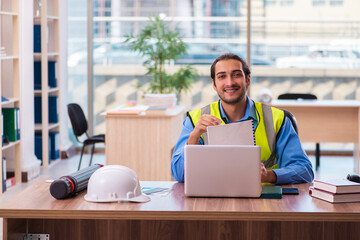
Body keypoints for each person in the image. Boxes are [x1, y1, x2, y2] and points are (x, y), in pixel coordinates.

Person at [171, 53, 314, 184]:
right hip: (212, 202)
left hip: (265, 202)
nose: (230, 83)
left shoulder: (277, 119)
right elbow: (179, 174)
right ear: (214, 84)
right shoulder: (195, 120)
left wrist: (269, 175)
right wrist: (193, 138)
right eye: (222, 76)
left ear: (248, 80)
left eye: (236, 75)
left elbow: (305, 170)